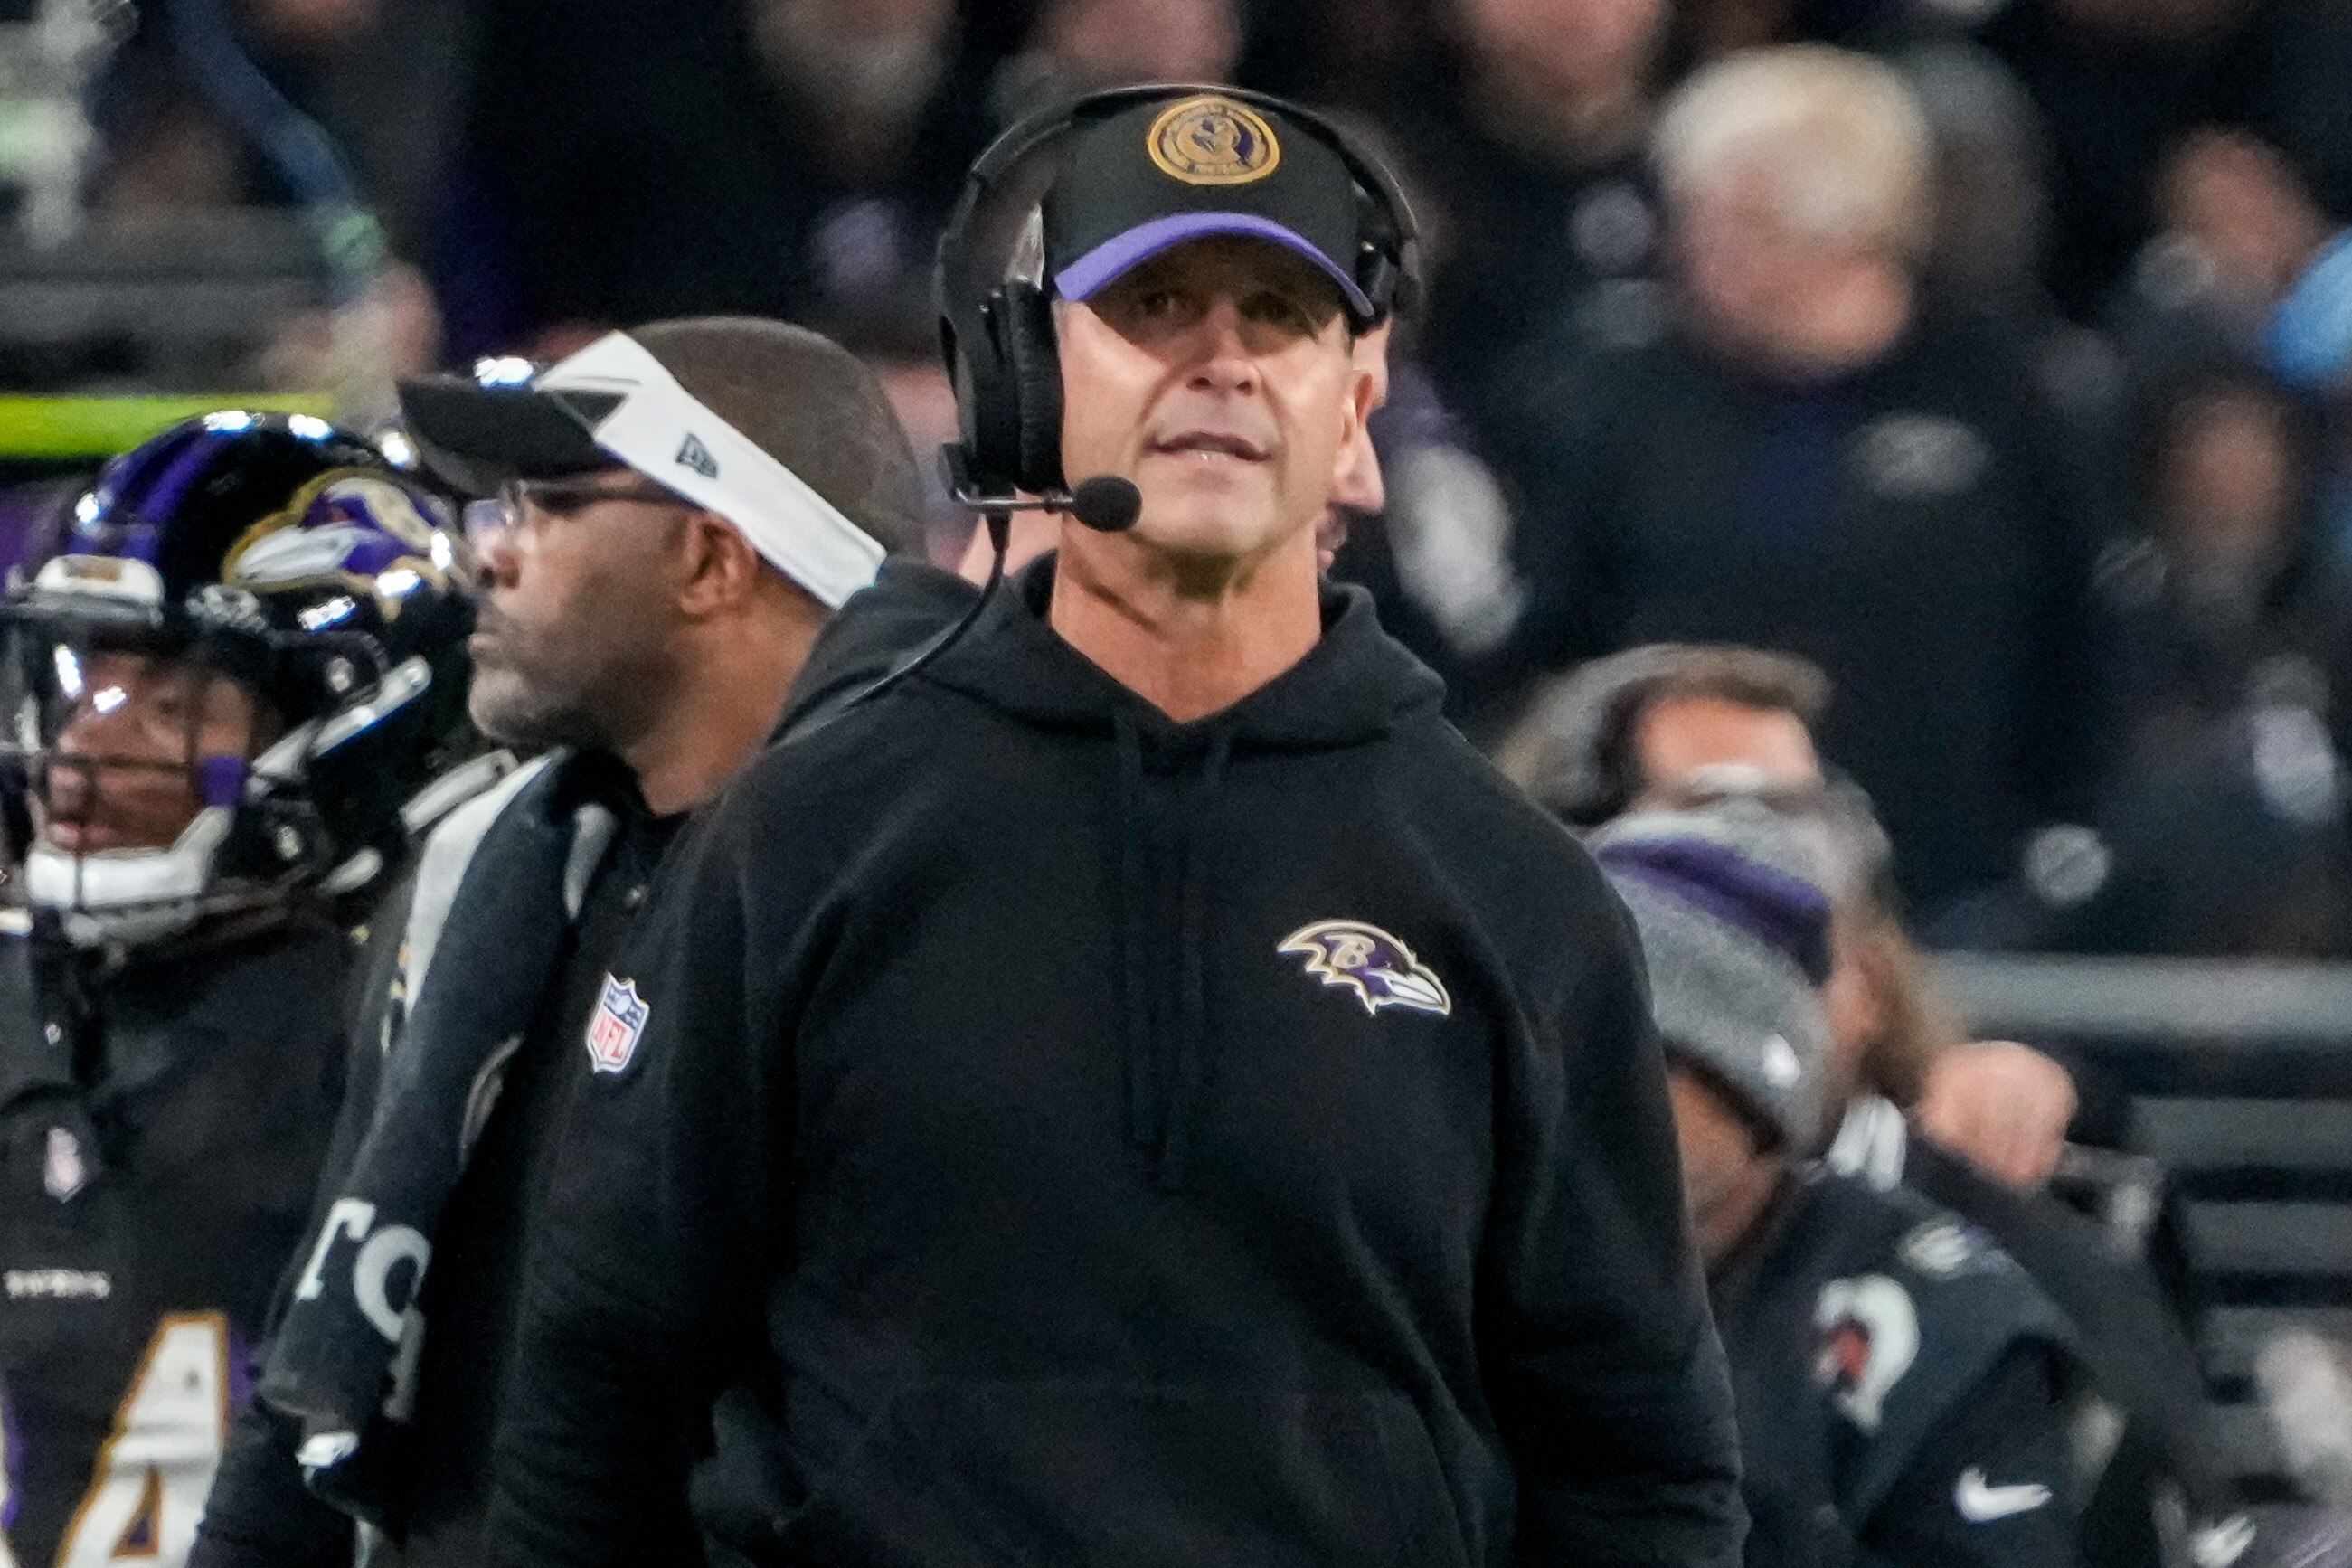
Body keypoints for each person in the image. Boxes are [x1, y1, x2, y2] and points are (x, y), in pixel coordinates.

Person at [496, 85, 1745, 1566]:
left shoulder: (1512, 890)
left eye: (1278, 315)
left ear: (1355, 414)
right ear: (1023, 384)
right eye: (1154, 305)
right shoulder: (808, 832)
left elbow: (1639, 1465)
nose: (1218, 361)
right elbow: (599, 1385)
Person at [189, 319, 928, 1567]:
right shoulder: (494, 864)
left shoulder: (907, 897)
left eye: (548, 505)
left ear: (709, 558)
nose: (490, 554)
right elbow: (329, 1320)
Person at [0, 413, 477, 1568]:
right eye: (85, 688)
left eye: (170, 703)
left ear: (355, 721)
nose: (85, 752)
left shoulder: (410, 1031)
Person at [1491, 45, 2112, 919]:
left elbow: (2081, 638)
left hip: (1946, 889)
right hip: (1656, 876)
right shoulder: (1618, 390)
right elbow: (1551, 630)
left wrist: (2044, 845)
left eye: (1732, 218)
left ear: (1845, 228)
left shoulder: (2003, 392)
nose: (1689, 246)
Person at [1591, 799, 2084, 1567]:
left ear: (1753, 1096)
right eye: (1569, 1051)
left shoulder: (1942, 1320)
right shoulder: (1466, 1260)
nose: (1591, 1097)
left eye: (1652, 1058)